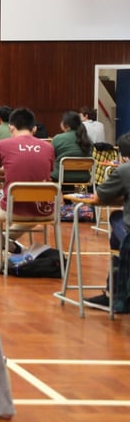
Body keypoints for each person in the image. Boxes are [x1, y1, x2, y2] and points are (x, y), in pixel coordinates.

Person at [0, 108, 55, 254]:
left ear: (11, 127)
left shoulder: (3, 145)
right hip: (44, 210)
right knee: (28, 219)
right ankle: (6, 242)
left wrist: (6, 170)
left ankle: (7, 246)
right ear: (34, 128)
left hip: (13, 208)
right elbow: (47, 171)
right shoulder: (48, 147)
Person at [92, 132, 130, 310]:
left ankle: (114, 293)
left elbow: (98, 197)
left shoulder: (124, 170)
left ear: (123, 157)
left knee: (116, 217)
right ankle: (113, 291)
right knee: (117, 238)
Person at [50, 111, 93, 183]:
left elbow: (51, 158)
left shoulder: (57, 138)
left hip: (60, 177)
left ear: (66, 125)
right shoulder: (87, 139)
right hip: (83, 177)